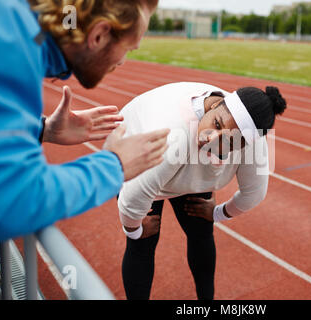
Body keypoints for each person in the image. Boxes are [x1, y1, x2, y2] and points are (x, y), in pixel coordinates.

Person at [0, 0, 169, 241]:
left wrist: (42, 129)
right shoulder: (14, 43)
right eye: (128, 48)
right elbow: (13, 201)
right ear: (98, 35)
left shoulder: (18, 25)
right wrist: (114, 165)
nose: (121, 62)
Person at [118, 82, 287, 300]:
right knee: (142, 243)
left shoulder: (252, 141)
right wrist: (133, 229)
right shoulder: (169, 133)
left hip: (184, 164)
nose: (211, 138)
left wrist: (218, 213)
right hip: (137, 150)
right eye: (216, 124)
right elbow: (132, 196)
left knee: (201, 232)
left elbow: (253, 194)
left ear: (244, 146)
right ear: (214, 104)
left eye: (228, 140)